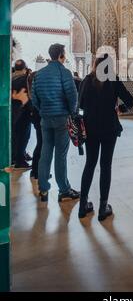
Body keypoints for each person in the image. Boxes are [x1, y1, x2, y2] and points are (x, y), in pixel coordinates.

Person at [78, 55, 133, 221]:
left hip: (90, 129)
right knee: (105, 165)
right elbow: (131, 101)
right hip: (109, 128)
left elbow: (79, 106)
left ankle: (83, 206)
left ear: (95, 65)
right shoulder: (113, 80)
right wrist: (120, 109)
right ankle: (103, 208)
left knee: (90, 164)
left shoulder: (86, 81)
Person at [32, 43, 79, 203]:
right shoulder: (64, 73)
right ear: (60, 55)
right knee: (61, 155)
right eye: (64, 54)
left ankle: (43, 189)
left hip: (45, 119)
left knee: (45, 153)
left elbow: (35, 99)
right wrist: (72, 113)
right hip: (61, 118)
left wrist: (43, 111)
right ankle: (64, 190)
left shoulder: (39, 74)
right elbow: (72, 96)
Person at [11, 61, 32, 170]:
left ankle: (16, 157)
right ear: (25, 68)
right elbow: (29, 95)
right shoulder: (25, 79)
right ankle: (20, 161)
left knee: (15, 137)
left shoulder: (10, 78)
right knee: (23, 137)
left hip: (13, 112)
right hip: (23, 112)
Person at [28, 71, 42, 180]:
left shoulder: (32, 93)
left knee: (40, 144)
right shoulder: (36, 93)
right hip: (39, 118)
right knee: (41, 145)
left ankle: (35, 170)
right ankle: (37, 171)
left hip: (36, 118)